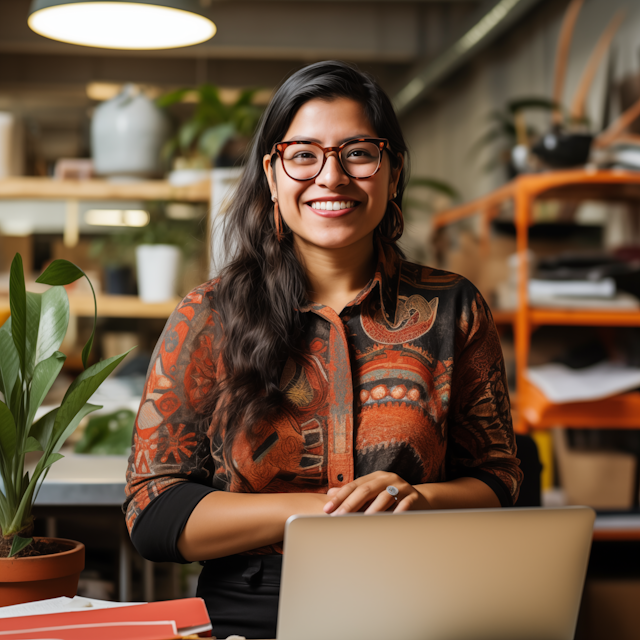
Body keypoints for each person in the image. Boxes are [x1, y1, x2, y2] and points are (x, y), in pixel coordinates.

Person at [124, 60, 523, 639]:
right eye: (304, 154)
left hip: (421, 607)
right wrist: (322, 513)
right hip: (253, 616)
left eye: (358, 152)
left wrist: (417, 499)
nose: (330, 177)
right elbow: (153, 510)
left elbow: (498, 479)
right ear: (272, 172)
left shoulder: (453, 307)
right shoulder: (210, 314)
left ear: (393, 168)